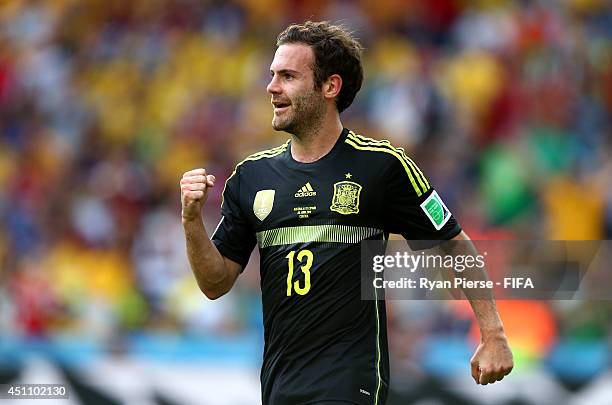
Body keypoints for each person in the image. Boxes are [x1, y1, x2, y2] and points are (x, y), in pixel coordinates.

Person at [180, 21, 513, 405]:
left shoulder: (382, 167)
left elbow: (453, 244)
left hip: (350, 382)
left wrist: (493, 335)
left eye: (287, 76)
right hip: (279, 385)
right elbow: (214, 283)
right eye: (273, 75)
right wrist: (191, 222)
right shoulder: (251, 178)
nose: (272, 87)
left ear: (330, 87)